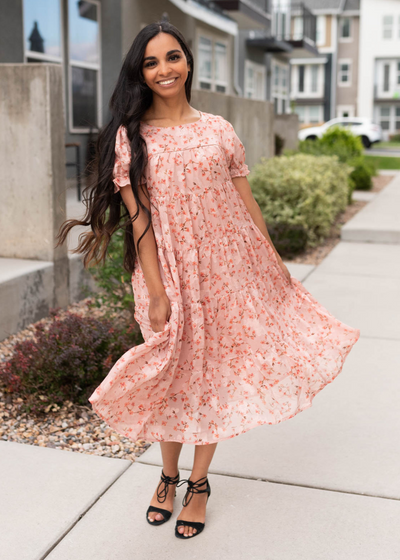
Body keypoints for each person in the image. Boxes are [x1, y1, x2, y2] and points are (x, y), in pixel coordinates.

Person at [56, 21, 360, 540]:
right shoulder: (133, 140)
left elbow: (247, 205)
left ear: (188, 62)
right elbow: (141, 221)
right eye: (151, 63)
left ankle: (198, 484)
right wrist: (156, 291)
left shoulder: (219, 130)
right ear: (141, 73)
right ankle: (166, 475)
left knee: (214, 376)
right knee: (172, 373)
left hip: (230, 271)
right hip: (169, 273)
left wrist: (274, 264)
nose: (163, 70)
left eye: (171, 57)